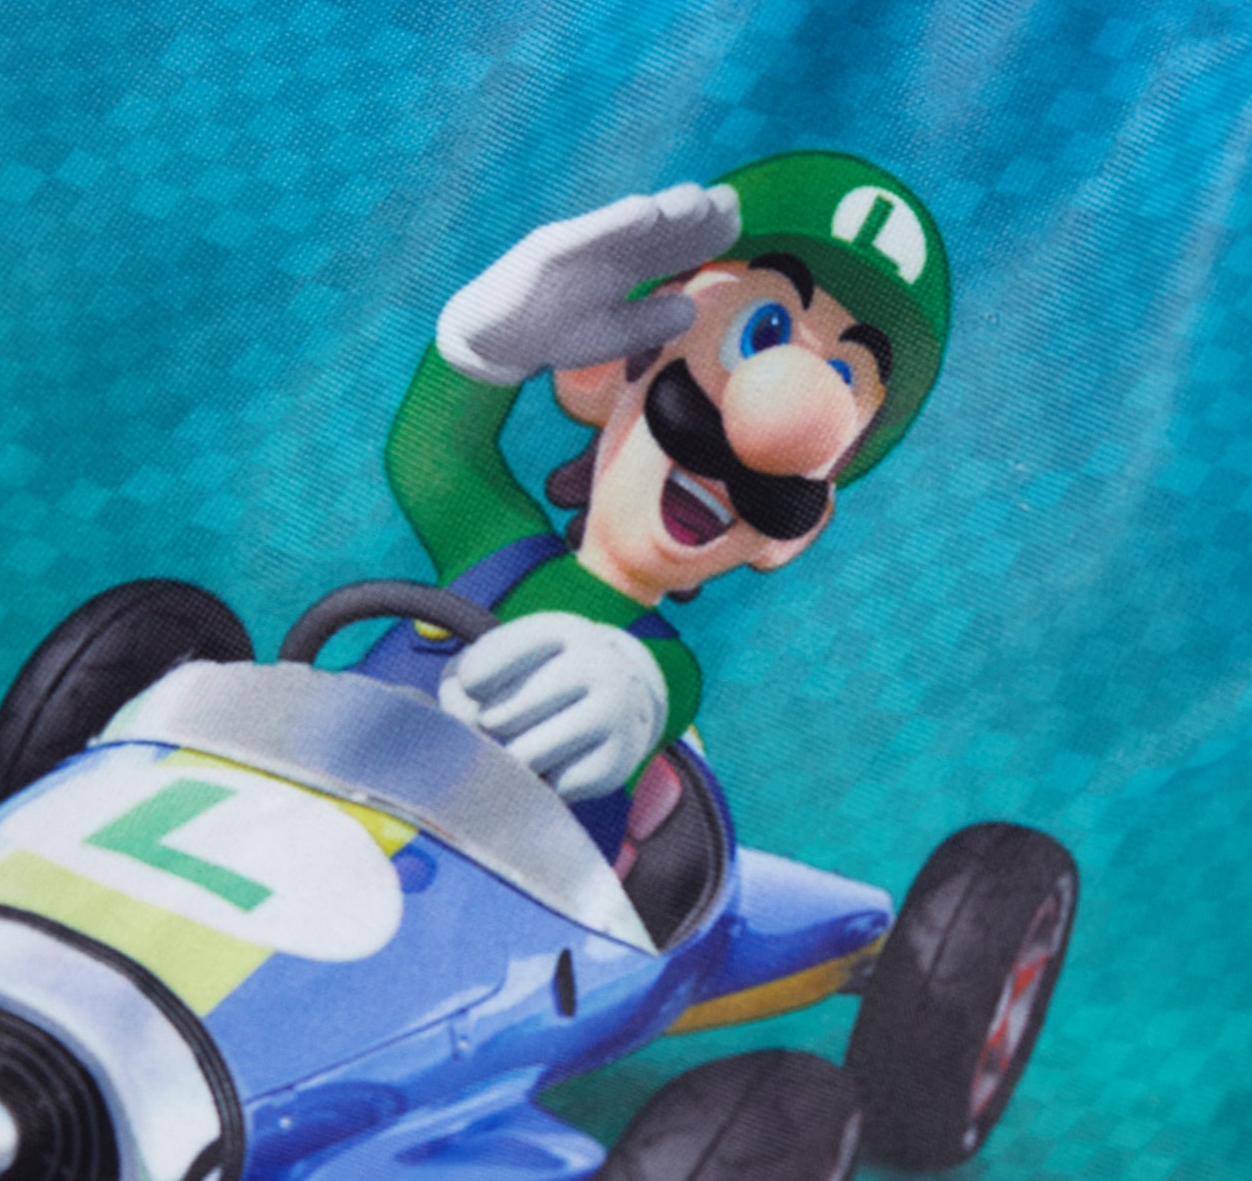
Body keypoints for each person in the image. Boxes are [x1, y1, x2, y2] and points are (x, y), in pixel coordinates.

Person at [366, 151, 953, 855]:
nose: (760, 433)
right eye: (761, 333)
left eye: (838, 382)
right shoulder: (499, 553)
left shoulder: (663, 670)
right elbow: (434, 455)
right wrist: (481, 351)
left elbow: (654, 691)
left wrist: (630, 693)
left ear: (797, 530)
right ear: (605, 368)